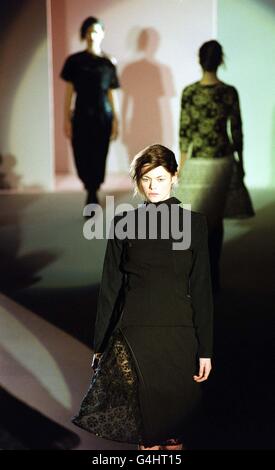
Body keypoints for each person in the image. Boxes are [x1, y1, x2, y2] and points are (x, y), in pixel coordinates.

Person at [71, 144, 213, 450]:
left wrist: (206, 349)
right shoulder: (124, 224)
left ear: (175, 177)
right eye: (146, 179)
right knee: (147, 437)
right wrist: (100, 345)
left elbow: (201, 289)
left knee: (174, 438)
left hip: (179, 338)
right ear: (138, 181)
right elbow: (111, 287)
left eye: (160, 178)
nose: (152, 186)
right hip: (136, 336)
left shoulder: (195, 224)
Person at [175, 40, 250, 293]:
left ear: (199, 60)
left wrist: (181, 169)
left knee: (195, 221)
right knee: (215, 222)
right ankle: (212, 271)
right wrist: (241, 163)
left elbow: (184, 134)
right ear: (221, 60)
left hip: (197, 162)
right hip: (222, 160)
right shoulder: (229, 92)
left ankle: (198, 274)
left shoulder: (189, 93)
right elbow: (237, 132)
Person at [60, 16, 120, 207]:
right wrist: (66, 119)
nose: (92, 36)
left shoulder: (108, 63)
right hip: (81, 115)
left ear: (102, 34)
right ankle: (89, 187)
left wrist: (117, 120)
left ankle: (92, 192)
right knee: (81, 154)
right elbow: (69, 93)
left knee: (99, 153)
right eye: (88, 32)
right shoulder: (74, 61)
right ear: (83, 35)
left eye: (95, 31)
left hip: (103, 115)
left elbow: (112, 94)